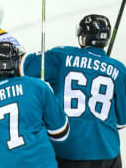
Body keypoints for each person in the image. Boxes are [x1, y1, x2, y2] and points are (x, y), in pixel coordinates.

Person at [20, 14, 126, 168]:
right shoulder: (119, 69)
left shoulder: (61, 56)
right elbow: (121, 122)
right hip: (107, 151)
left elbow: (25, 67)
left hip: (68, 150)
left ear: (84, 36)